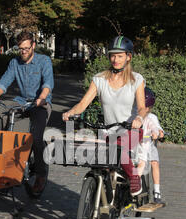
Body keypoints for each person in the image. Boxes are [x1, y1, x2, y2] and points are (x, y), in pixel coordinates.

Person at [62, 36, 147, 196]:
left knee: (119, 150)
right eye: (113, 55)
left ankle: (135, 179)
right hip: (109, 132)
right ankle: (103, 198)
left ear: (128, 57)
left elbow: (142, 107)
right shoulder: (100, 79)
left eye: (120, 56)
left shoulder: (137, 80)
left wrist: (139, 119)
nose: (115, 59)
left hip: (131, 131)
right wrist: (70, 112)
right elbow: (82, 104)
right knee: (100, 163)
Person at [0, 31, 54, 195]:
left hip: (41, 103)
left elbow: (48, 82)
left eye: (26, 48)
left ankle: (40, 174)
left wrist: (41, 98)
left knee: (36, 137)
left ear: (33, 46)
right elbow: (5, 80)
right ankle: (5, 169)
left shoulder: (43, 61)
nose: (24, 52)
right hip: (22, 102)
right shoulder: (15, 62)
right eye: (21, 49)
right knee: (5, 121)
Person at [136, 88, 165, 206]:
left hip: (147, 143)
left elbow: (157, 129)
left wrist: (158, 133)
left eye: (146, 107)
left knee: (154, 162)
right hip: (134, 145)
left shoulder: (151, 117)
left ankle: (157, 191)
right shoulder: (132, 115)